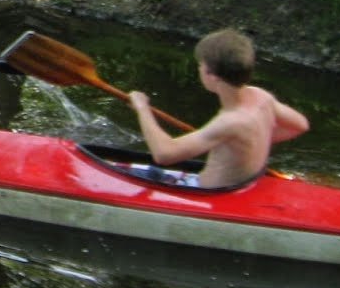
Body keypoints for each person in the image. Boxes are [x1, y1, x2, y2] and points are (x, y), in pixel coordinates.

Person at [127, 28, 309, 188]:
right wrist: (251, 142)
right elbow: (300, 125)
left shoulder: (229, 122)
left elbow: (164, 155)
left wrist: (143, 109)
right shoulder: (261, 97)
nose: (199, 69)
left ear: (211, 74)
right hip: (243, 185)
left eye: (200, 65)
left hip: (206, 193)